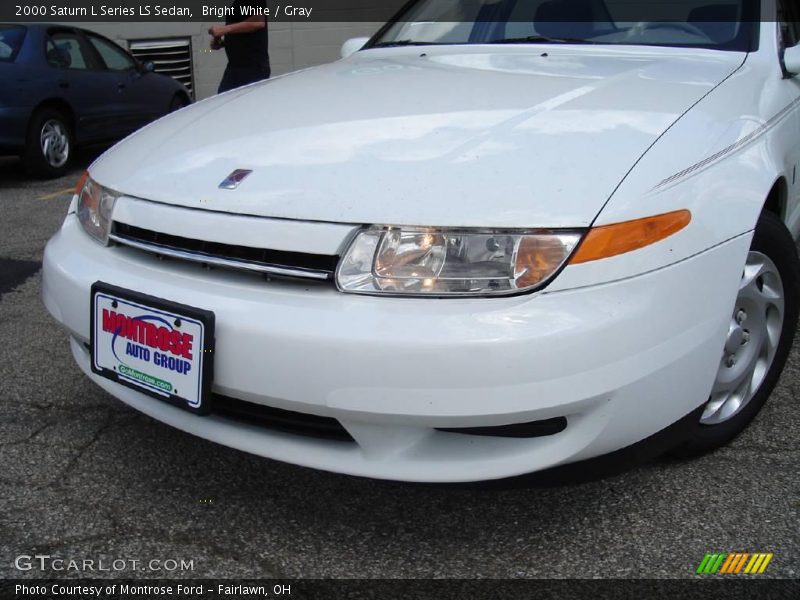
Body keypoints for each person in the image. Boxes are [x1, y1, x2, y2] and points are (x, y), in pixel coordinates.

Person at [209, 0, 270, 93]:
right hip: (235, 66)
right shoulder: (237, 3)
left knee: (248, 101)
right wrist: (223, 43)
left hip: (252, 67)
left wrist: (224, 29)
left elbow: (259, 22)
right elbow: (244, 34)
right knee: (223, 99)